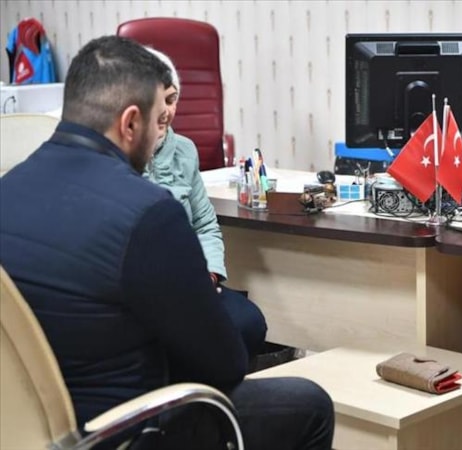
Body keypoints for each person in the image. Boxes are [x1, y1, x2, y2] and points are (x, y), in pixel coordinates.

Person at [0, 36, 333, 449]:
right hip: (119, 431)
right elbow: (225, 365)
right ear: (130, 123)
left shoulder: (8, 188)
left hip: (25, 430)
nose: (164, 130)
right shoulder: (148, 213)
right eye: (159, 119)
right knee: (310, 404)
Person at [143, 47, 267, 360]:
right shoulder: (117, 155)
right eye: (159, 100)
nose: (167, 111)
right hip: (148, 289)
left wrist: (209, 274)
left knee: (249, 322)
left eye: (172, 99)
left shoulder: (184, 150)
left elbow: (204, 224)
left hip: (191, 282)